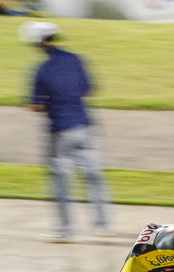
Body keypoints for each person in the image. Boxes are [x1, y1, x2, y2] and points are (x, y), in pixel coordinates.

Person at [23, 20, 111, 243]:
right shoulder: (76, 59)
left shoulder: (42, 70)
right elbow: (91, 89)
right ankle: (101, 225)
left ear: (38, 43)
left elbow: (37, 105)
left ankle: (66, 230)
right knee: (94, 177)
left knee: (61, 183)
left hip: (61, 132)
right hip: (86, 127)